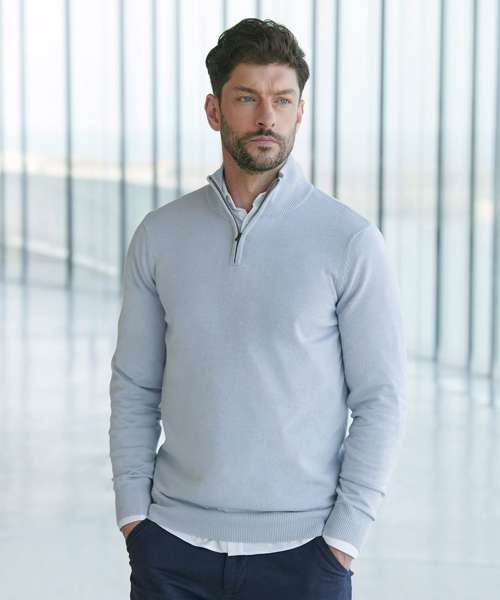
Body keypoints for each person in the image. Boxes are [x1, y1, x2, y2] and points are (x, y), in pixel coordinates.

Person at [109, 17, 408, 600]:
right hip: (171, 548)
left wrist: (343, 541)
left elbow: (381, 399)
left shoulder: (349, 241)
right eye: (247, 98)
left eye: (282, 99)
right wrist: (133, 517)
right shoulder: (160, 235)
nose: (266, 117)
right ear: (214, 110)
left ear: (300, 112)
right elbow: (135, 384)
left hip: (305, 555)